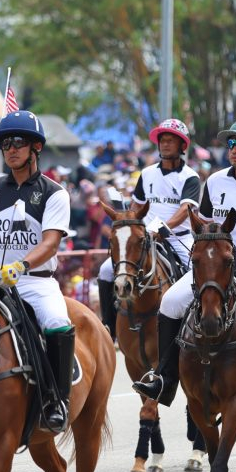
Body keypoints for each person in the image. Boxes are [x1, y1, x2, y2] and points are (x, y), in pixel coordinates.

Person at [132, 119, 236, 422]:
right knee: (170, 301)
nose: (233, 151)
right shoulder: (215, 182)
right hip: (219, 261)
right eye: (230, 145)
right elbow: (206, 225)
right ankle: (165, 378)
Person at [0, 110, 75, 433]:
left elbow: (51, 242)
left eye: (18, 142)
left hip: (32, 281)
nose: (10, 149)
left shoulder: (55, 193)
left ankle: (57, 401)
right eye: (5, 143)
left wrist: (21, 265)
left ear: (35, 147)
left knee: (56, 322)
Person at [97, 118, 201, 339]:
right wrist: (130, 220)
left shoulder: (190, 177)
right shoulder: (147, 174)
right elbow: (137, 205)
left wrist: (159, 229)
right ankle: (109, 326)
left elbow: (185, 210)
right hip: (144, 237)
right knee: (106, 271)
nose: (165, 144)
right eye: (162, 140)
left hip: (177, 238)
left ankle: (196, 328)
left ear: (182, 146)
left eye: (171, 141)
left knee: (199, 272)